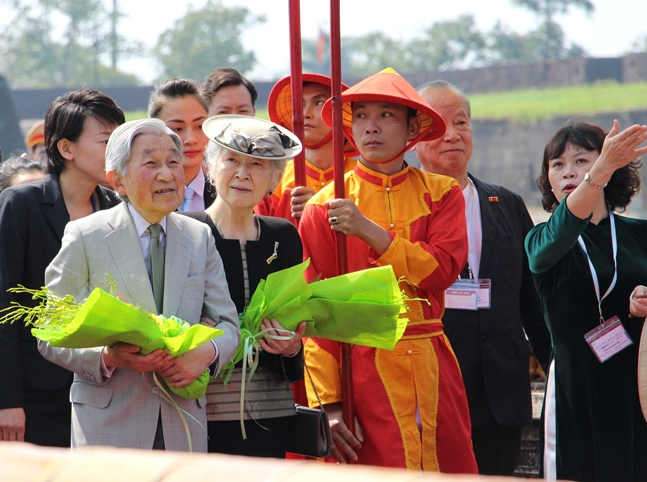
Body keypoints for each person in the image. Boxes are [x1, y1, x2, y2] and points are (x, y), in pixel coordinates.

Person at [298, 68, 478, 473]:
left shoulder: (442, 193)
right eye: (360, 116)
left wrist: (367, 230)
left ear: (413, 127)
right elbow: (316, 311)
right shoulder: (322, 207)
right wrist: (328, 403)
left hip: (432, 361)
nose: (371, 127)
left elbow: (442, 269)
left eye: (386, 116)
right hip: (362, 368)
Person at [39, 118, 240, 451]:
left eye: (173, 162)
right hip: (110, 428)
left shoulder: (198, 236)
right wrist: (109, 356)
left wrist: (205, 353)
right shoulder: (86, 235)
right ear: (117, 180)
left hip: (183, 424)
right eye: (151, 163)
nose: (167, 174)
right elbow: (50, 331)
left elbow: (228, 324)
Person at [413, 80, 552, 476]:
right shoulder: (402, 206)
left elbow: (532, 300)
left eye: (462, 122)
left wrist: (555, 364)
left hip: (501, 391)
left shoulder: (504, 202)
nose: (454, 135)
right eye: (440, 124)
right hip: (435, 389)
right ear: (414, 137)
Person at [525, 121, 647, 481]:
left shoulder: (643, 234)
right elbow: (566, 225)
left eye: (581, 160)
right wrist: (598, 170)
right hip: (576, 392)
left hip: (639, 390)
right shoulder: (543, 239)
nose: (568, 171)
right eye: (557, 164)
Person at [0, 89, 125, 446]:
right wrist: (7, 401)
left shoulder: (115, 209)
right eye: (105, 141)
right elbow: (3, 305)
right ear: (66, 149)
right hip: (34, 392)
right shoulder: (21, 204)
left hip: (103, 386)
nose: (117, 153)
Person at [184, 114, 306, 457]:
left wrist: (291, 346)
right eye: (232, 160)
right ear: (210, 167)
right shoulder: (185, 231)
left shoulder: (284, 236)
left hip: (271, 411)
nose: (242, 173)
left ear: (275, 179)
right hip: (199, 408)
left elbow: (294, 338)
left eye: (257, 164)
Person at [255, 73, 356, 223]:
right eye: (300, 105)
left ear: (342, 115)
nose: (305, 114)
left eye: (319, 103)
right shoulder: (274, 178)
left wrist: (317, 209)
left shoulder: (360, 178)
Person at [148, 78, 214, 211]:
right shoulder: (144, 197)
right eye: (177, 129)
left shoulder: (225, 196)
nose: (190, 139)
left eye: (199, 126)